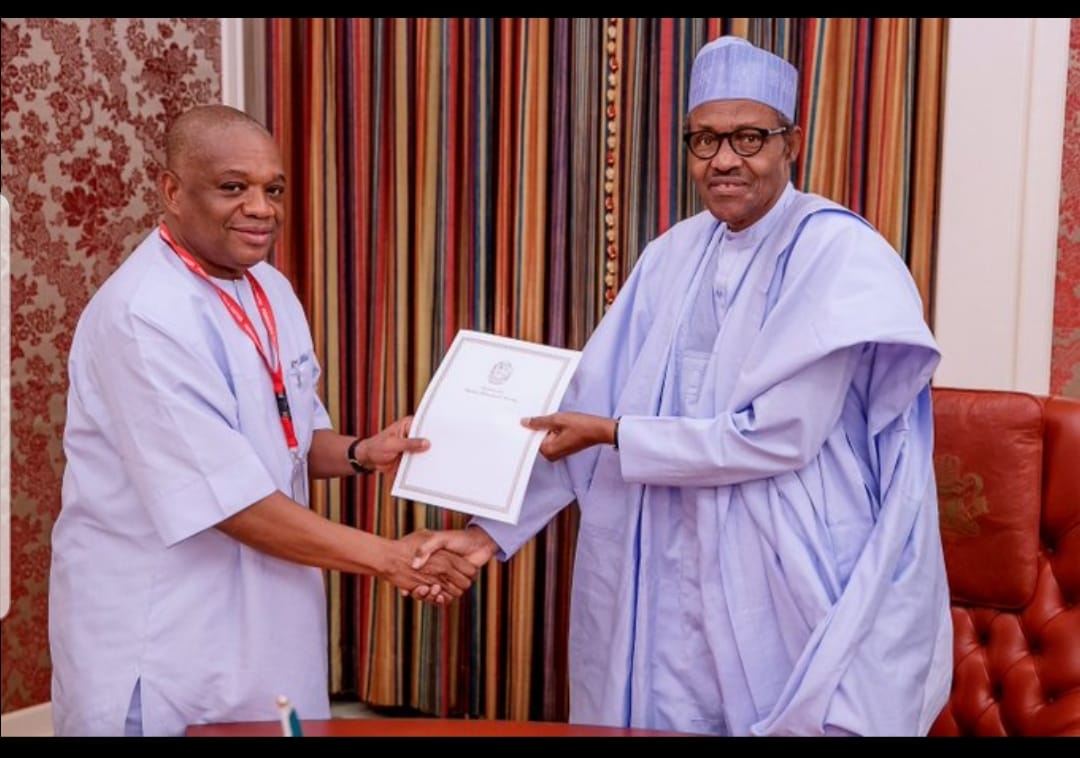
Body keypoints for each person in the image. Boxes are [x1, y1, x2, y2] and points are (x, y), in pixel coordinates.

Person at [414, 36, 952, 736]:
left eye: (748, 137)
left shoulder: (839, 251)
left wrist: (615, 434)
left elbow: (780, 437)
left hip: (787, 560)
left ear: (791, 143)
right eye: (704, 140)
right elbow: (585, 408)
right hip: (662, 553)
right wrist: (487, 536)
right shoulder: (673, 253)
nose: (724, 159)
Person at [48, 104, 478, 737]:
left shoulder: (268, 287)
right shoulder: (145, 316)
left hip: (270, 612)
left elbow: (292, 437)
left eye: (272, 188)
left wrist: (362, 451)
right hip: (168, 630)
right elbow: (232, 503)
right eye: (233, 187)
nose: (261, 207)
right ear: (171, 191)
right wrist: (391, 558)